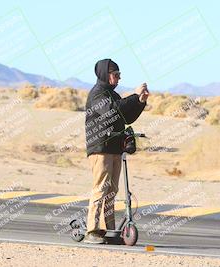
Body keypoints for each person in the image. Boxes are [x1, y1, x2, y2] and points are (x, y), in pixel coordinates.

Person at [84, 58, 149, 244]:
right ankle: (93, 231)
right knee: (101, 188)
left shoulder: (112, 94)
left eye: (120, 75)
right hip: (101, 148)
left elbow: (126, 117)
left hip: (114, 148)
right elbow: (112, 111)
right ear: (106, 74)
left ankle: (109, 231)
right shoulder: (97, 95)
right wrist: (133, 96)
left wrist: (140, 102)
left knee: (112, 190)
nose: (118, 78)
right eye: (116, 75)